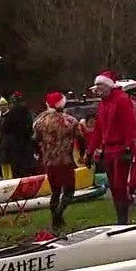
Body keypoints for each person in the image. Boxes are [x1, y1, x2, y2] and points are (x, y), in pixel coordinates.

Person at [88, 69, 136, 224]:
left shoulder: (121, 100)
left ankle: (123, 219)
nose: (97, 89)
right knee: (114, 186)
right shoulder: (103, 104)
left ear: (108, 86)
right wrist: (90, 151)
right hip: (109, 149)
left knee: (119, 185)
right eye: (96, 86)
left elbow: (129, 124)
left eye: (100, 85)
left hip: (120, 148)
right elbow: (98, 130)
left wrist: (128, 146)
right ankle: (120, 217)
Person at [33, 92, 86, 231]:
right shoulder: (70, 121)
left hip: (49, 161)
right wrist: (81, 154)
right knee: (69, 191)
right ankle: (58, 214)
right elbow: (81, 138)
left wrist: (40, 153)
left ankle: (56, 219)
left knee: (55, 191)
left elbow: (35, 139)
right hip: (66, 161)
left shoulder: (40, 121)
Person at [0, 92, 35, 177]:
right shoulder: (27, 113)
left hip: (15, 148)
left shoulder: (11, 114)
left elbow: (5, 129)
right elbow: (30, 129)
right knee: (26, 172)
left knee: (17, 173)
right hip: (26, 146)